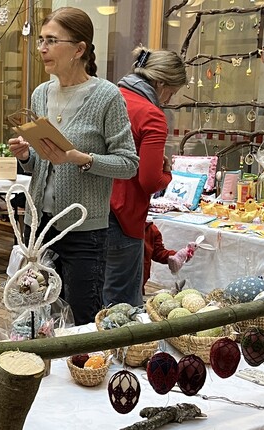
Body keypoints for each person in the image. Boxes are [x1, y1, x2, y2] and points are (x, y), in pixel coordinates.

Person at [6, 7, 139, 325]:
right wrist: (26, 155)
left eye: (51, 40)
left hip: (84, 230)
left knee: (82, 316)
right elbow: (40, 164)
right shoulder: (40, 95)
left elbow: (129, 164)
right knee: (36, 314)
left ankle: (86, 374)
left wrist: (81, 159)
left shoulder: (107, 97)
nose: (42, 48)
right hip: (38, 226)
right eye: (41, 40)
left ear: (79, 49)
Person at [103, 46, 187, 306]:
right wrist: (167, 173)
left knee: (92, 297)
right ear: (160, 83)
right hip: (123, 217)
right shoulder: (152, 115)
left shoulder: (108, 97)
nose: (170, 100)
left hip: (90, 210)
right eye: (171, 92)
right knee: (121, 304)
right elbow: (148, 181)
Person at [143, 221, 196, 287]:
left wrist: (178, 256)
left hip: (139, 283)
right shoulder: (126, 229)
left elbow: (158, 253)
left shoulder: (150, 229)